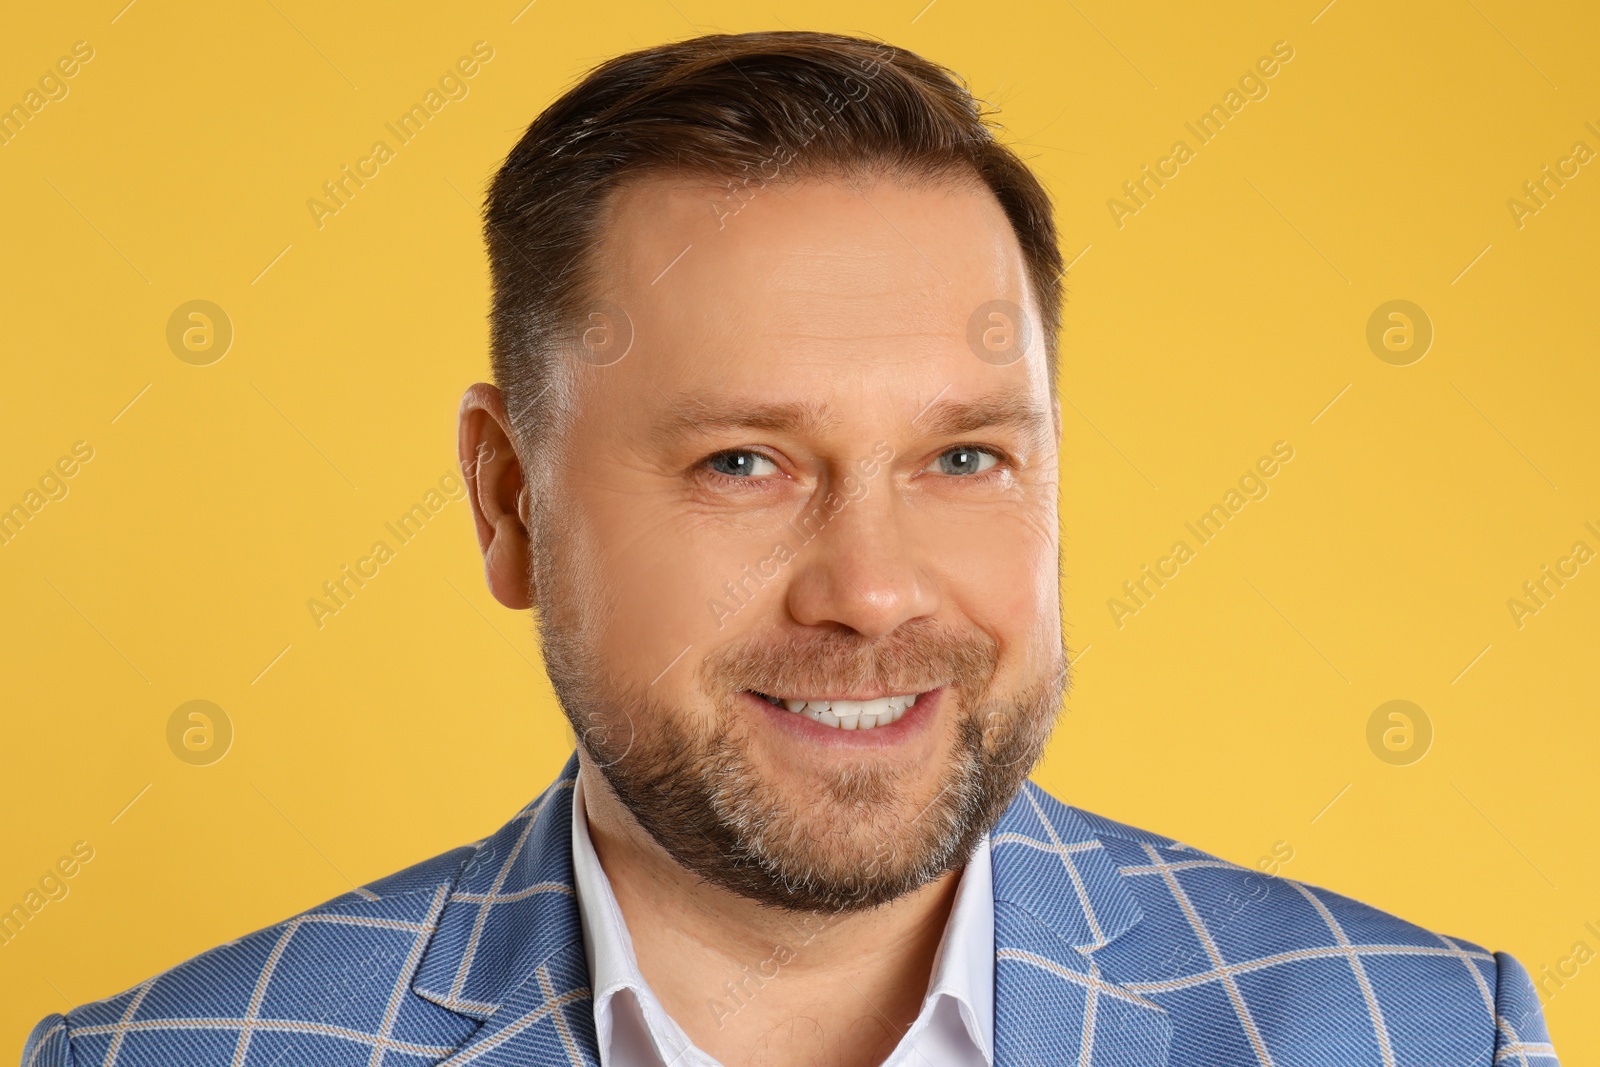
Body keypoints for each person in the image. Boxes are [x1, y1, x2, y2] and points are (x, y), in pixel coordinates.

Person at [24, 30, 1556, 1067]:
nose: (872, 590)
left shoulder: (1425, 1034)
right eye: (743, 463)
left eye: (965, 457)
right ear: (510, 501)